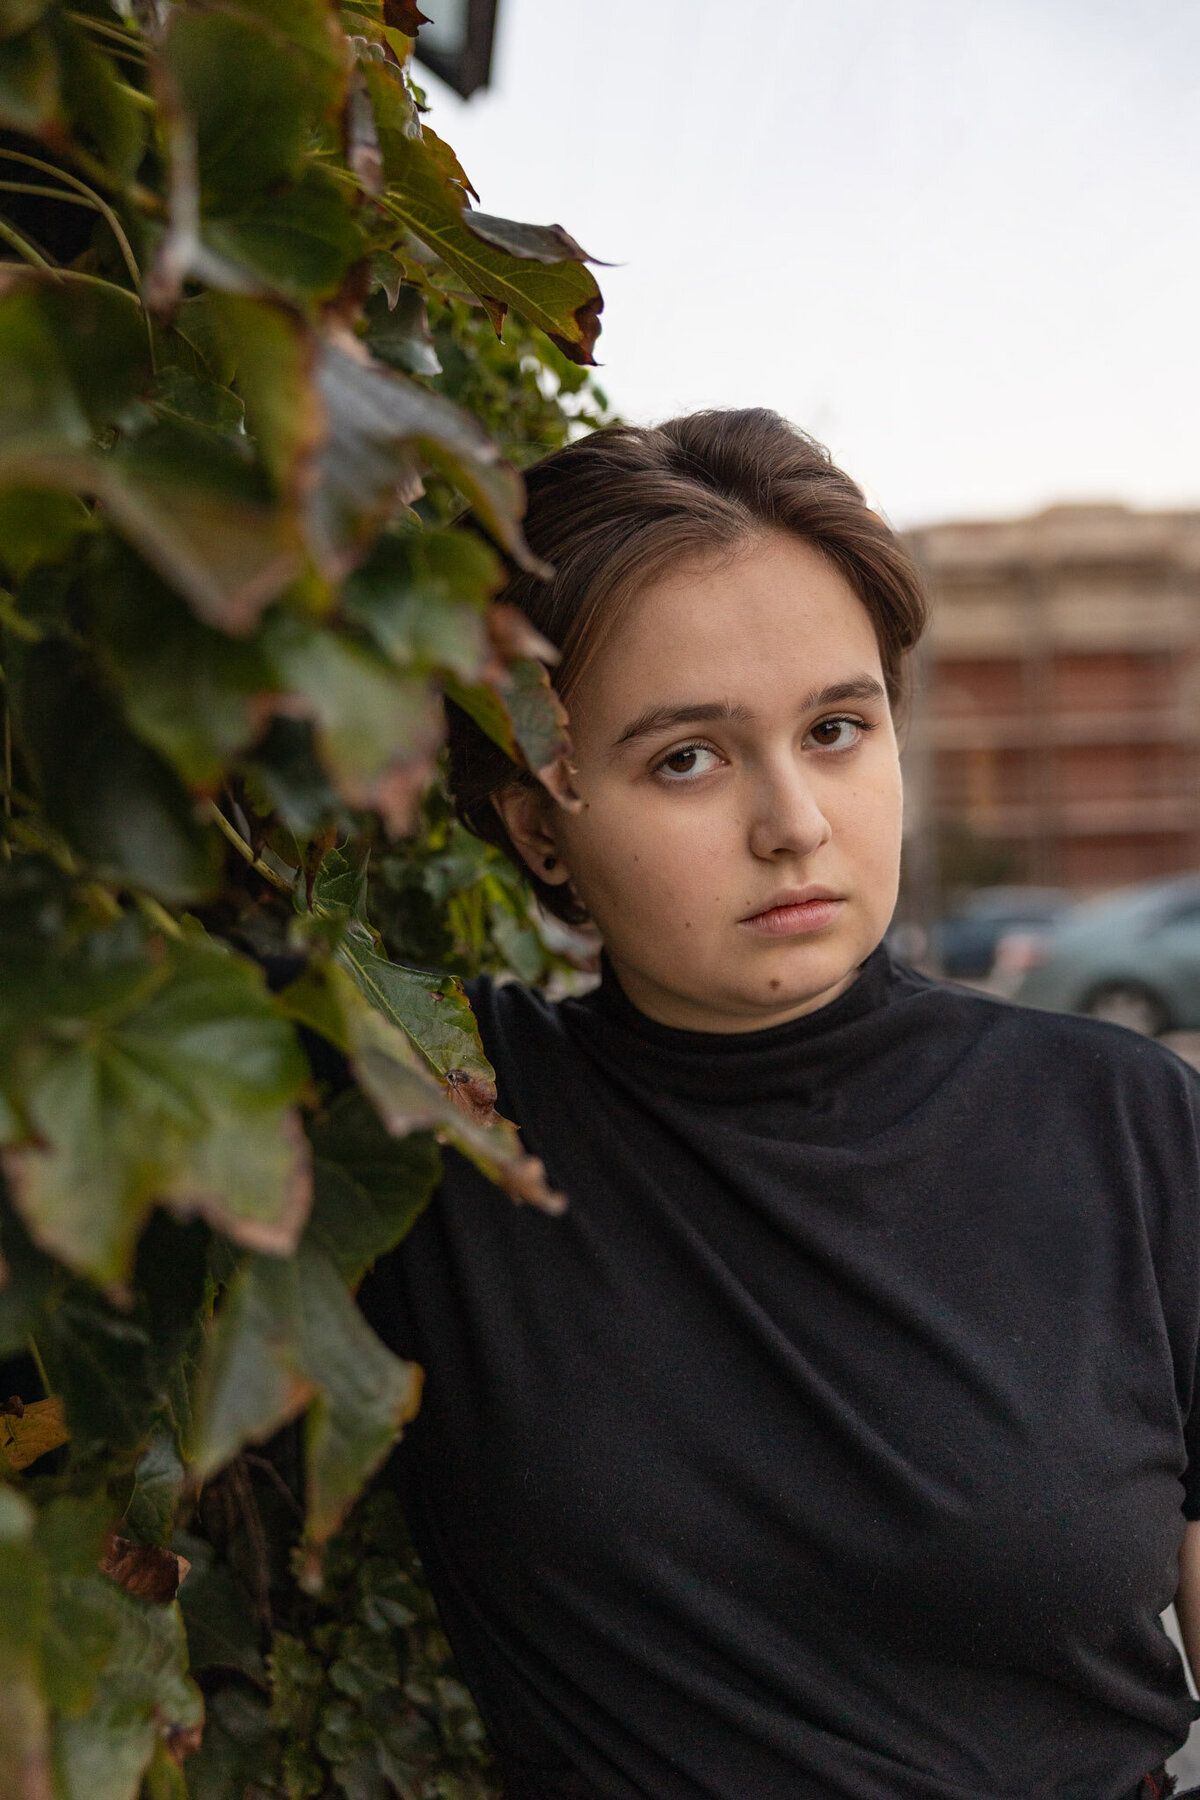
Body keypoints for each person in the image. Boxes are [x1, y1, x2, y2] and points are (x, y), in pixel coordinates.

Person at [358, 410, 1200, 1800]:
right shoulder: (445, 1121)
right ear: (534, 820)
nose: (794, 820)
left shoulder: (1127, 1126)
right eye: (686, 756)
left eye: (836, 728)